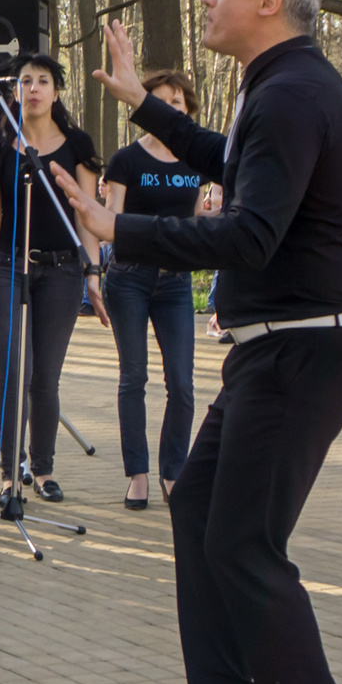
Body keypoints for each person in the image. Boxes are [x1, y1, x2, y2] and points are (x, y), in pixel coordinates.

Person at [58, 0, 342, 684]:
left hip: (303, 350)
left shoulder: (292, 94)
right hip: (278, 349)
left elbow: (249, 231)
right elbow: (231, 166)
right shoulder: (278, 86)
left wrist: (120, 228)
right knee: (199, 503)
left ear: (268, 1)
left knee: (245, 541)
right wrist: (142, 104)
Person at [0, 52, 105, 503]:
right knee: (14, 370)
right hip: (11, 267)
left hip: (64, 269)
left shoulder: (78, 145)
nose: (32, 89)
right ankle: (10, 476)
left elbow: (86, 217)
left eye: (42, 81)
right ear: (14, 91)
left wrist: (93, 273)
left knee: (45, 376)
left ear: (56, 91)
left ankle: (43, 468)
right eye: (25, 81)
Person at [102, 70, 211, 509]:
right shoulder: (126, 160)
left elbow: (199, 216)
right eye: (162, 101)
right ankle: (138, 475)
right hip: (129, 278)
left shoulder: (197, 162)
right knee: (134, 378)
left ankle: (174, 470)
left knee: (182, 383)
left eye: (179, 103)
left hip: (176, 283)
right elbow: (111, 219)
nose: (172, 108)